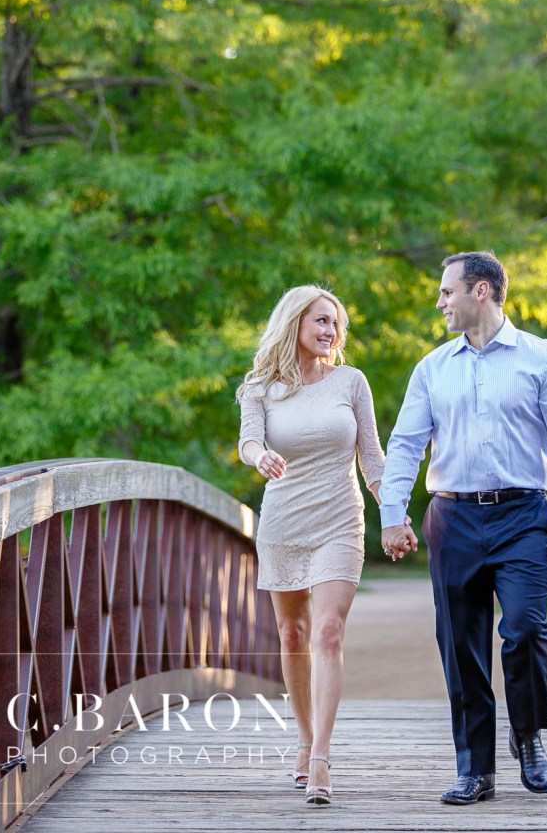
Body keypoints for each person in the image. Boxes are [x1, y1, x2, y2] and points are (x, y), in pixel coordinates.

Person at [380, 251, 547, 805]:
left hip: (523, 516)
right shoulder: (432, 368)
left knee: (523, 628)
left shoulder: (542, 359)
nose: (439, 302)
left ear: (480, 292)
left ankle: (528, 735)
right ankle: (475, 769)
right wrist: (392, 514)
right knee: (461, 644)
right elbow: (404, 445)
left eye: (447, 291)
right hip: (452, 517)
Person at [238, 285, 410, 805]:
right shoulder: (262, 387)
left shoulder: (352, 382)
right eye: (320, 321)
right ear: (294, 323)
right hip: (284, 520)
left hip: (341, 518)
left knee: (329, 631)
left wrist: (394, 514)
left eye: (335, 323)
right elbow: (248, 439)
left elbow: (373, 458)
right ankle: (304, 737)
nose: (330, 332)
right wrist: (258, 456)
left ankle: (322, 757)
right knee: (293, 632)